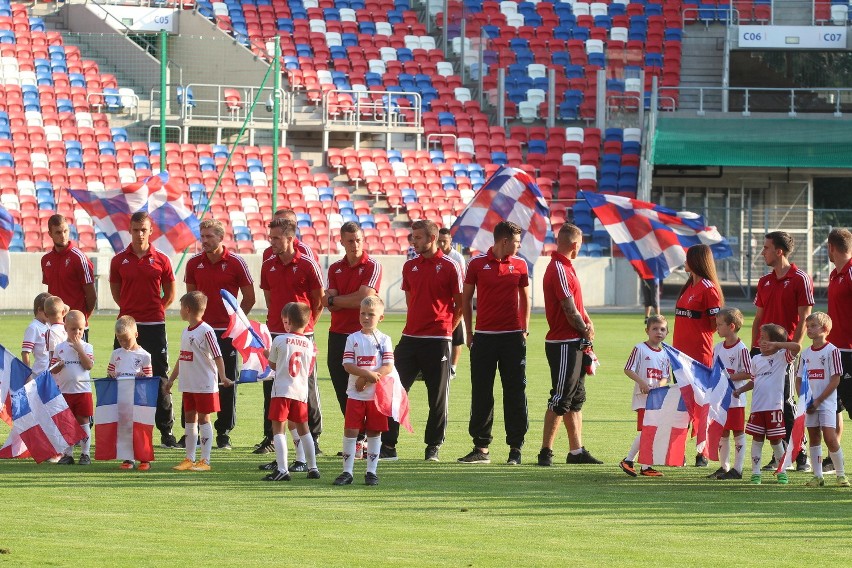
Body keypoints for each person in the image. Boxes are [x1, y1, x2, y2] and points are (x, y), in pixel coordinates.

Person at [380, 220, 463, 462]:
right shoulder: (410, 267)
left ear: (432, 238)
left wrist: (446, 330)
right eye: (412, 237)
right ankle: (388, 446)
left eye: (417, 237)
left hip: (438, 340)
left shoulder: (451, 266)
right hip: (410, 338)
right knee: (393, 390)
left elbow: (460, 304)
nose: (413, 242)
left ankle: (433, 447)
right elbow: (410, 300)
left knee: (437, 397)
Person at [458, 221, 530, 465]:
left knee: (515, 392)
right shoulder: (477, 264)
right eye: (517, 242)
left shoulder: (520, 264)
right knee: (481, 393)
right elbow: (466, 299)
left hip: (512, 338)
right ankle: (481, 448)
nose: (519, 247)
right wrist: (469, 332)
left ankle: (515, 449)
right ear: (505, 241)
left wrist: (525, 328)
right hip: (484, 337)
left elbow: (525, 297)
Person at [184, 218, 255, 450]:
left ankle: (223, 432)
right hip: (201, 332)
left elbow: (250, 297)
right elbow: (190, 301)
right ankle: (191, 432)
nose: (204, 241)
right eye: (202, 236)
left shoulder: (236, 262)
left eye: (209, 237)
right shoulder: (194, 263)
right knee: (197, 380)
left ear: (220, 237)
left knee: (226, 382)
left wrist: (236, 323)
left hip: (227, 333)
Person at [109, 211, 177, 449]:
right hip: (126, 326)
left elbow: (170, 294)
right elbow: (117, 293)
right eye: (135, 229)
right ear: (130, 230)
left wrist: (155, 309)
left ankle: (166, 431)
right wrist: (129, 313)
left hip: (154, 325)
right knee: (121, 376)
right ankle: (122, 429)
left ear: (151, 231)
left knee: (159, 377)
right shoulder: (118, 260)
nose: (139, 234)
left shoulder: (162, 259)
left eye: (143, 230)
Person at [257, 218, 324, 456]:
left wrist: (306, 326)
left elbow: (318, 299)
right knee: (273, 385)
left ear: (290, 239)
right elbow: (269, 297)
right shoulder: (268, 265)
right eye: (270, 237)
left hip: (303, 334)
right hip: (276, 331)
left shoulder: (307, 264)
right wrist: (276, 323)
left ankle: (312, 437)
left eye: (276, 237)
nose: (271, 241)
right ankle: (273, 438)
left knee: (305, 386)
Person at [538, 223, 601, 467]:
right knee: (561, 397)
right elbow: (568, 307)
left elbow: (576, 305)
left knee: (575, 398)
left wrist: (588, 324)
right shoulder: (559, 268)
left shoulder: (565, 267)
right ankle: (546, 451)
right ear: (575, 244)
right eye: (580, 245)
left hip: (574, 341)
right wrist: (585, 328)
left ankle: (576, 451)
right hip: (564, 342)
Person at [750, 231, 813, 472]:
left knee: (786, 403)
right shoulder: (764, 281)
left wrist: (793, 350)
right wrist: (755, 348)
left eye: (766, 248)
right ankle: (780, 454)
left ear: (779, 251)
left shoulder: (800, 278)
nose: (762, 252)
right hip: (763, 352)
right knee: (766, 404)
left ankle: (801, 453)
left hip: (785, 352)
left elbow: (804, 317)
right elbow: (758, 318)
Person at [323, 221, 382, 457]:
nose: (355, 244)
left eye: (358, 239)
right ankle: (357, 437)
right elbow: (331, 303)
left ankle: (368, 439)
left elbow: (363, 300)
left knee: (364, 387)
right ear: (341, 242)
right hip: (337, 334)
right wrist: (342, 300)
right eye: (350, 240)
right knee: (342, 389)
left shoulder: (372, 265)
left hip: (363, 336)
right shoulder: (334, 268)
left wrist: (337, 301)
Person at [167, 292, 231, 472]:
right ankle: (189, 457)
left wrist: (223, 377)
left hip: (204, 383)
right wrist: (171, 379)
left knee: (204, 418)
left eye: (181, 308)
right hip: (189, 383)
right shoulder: (185, 332)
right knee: (189, 418)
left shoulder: (206, 330)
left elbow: (218, 356)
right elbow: (182, 357)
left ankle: (205, 460)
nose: (179, 311)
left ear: (187, 309)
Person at [333, 296, 395, 486]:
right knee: (351, 430)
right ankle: (347, 472)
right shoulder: (352, 338)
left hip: (375, 396)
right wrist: (363, 374)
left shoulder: (385, 339)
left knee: (374, 432)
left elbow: (388, 366)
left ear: (380, 318)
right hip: (355, 394)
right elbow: (347, 364)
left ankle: (371, 472)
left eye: (371, 314)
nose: (366, 318)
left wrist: (366, 378)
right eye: (362, 313)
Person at [672, 244, 723, 467]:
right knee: (682, 405)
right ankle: (677, 452)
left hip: (698, 357)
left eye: (687, 258)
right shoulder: (688, 286)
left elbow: (716, 325)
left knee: (702, 406)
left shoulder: (708, 288)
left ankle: (702, 452)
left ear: (696, 261)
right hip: (678, 356)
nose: (684, 261)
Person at [263, 302, 321, 481]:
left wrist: (266, 354)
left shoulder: (280, 339)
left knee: (278, 429)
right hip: (300, 392)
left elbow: (273, 364)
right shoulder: (309, 344)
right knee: (304, 429)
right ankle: (312, 467)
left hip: (282, 390)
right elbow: (309, 369)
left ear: (289, 321)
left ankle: (282, 469)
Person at [740, 323, 800, 485]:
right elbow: (754, 381)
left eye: (764, 339)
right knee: (757, 440)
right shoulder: (756, 359)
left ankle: (781, 471)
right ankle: (756, 474)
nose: (760, 341)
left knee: (776, 441)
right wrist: (739, 390)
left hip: (774, 408)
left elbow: (797, 347)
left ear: (774, 343)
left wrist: (777, 345)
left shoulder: (782, 357)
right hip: (757, 409)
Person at [798, 312, 849, 487]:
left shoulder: (832, 351)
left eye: (813, 326)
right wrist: (804, 399)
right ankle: (817, 476)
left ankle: (841, 475)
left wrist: (818, 400)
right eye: (808, 326)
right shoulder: (805, 354)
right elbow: (799, 379)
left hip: (826, 402)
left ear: (825, 329)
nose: (809, 329)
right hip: (810, 404)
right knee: (813, 437)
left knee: (830, 437)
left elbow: (836, 379)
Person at [619, 315, 670, 477]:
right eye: (654, 329)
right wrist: (642, 383)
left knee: (651, 431)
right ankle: (629, 460)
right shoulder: (640, 348)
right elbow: (628, 369)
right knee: (647, 430)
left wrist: (659, 387)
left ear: (667, 332)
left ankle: (645, 466)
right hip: (643, 398)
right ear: (647, 330)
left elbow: (665, 377)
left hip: (657, 399)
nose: (659, 332)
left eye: (662, 329)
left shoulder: (666, 354)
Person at [707, 307, 752, 480]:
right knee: (723, 432)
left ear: (731, 326)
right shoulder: (718, 347)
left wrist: (729, 377)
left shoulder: (741, 348)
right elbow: (714, 370)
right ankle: (724, 467)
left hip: (735, 399)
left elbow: (749, 373)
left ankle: (738, 469)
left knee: (738, 432)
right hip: (720, 399)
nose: (717, 328)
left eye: (719, 325)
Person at [107, 316, 154, 470]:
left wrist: (143, 377)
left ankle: (144, 459)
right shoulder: (116, 354)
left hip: (139, 399)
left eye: (126, 339)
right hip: (123, 398)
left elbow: (150, 378)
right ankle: (129, 459)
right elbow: (110, 371)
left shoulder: (144, 356)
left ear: (136, 334)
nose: (124, 343)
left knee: (140, 428)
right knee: (125, 428)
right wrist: (111, 375)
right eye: (120, 340)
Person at [50, 310, 94, 466]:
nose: (77, 332)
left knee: (83, 422)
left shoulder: (87, 347)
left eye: (80, 329)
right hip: (65, 391)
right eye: (73, 328)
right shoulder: (60, 348)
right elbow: (52, 369)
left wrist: (79, 350)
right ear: (66, 328)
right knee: (67, 423)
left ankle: (85, 454)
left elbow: (88, 365)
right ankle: (68, 454)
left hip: (82, 391)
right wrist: (58, 365)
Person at [41, 214, 96, 338]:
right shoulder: (46, 260)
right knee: (54, 358)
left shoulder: (79, 258)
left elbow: (91, 296)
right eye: (58, 232)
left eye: (65, 231)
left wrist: (82, 318)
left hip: (76, 327)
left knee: (79, 358)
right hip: (55, 326)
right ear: (50, 234)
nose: (63, 236)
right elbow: (51, 293)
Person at [826, 228, 852, 473]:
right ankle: (832, 459)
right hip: (834, 351)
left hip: (850, 353)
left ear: (832, 247)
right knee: (833, 405)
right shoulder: (835, 274)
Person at [437, 227, 466, 377]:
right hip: (441, 304)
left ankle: (453, 367)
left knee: (456, 337)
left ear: (450, 241)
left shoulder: (457, 258)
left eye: (444, 241)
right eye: (439, 241)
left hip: (455, 304)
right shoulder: (435, 257)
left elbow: (462, 281)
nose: (441, 244)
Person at [21, 292, 51, 373]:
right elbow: (25, 353)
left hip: (51, 373)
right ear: (39, 310)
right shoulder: (33, 327)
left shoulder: (49, 325)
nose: (51, 314)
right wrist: (28, 374)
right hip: (39, 373)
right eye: (48, 311)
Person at [43, 295, 68, 362]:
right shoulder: (70, 328)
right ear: (63, 312)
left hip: (58, 368)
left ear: (45, 315)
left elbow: (53, 355)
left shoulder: (50, 332)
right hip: (71, 365)